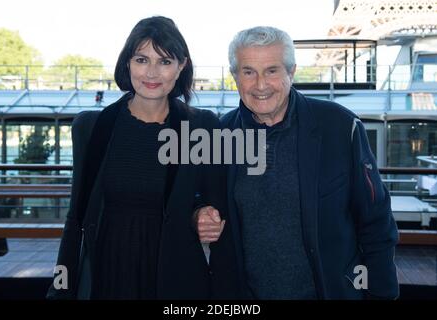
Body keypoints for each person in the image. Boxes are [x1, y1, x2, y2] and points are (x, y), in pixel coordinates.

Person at [196, 26, 399, 300]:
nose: (260, 85)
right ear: (235, 77)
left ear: (291, 72)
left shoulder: (340, 127)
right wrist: (198, 214)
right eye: (248, 72)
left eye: (272, 70)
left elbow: (376, 222)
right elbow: (198, 197)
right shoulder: (220, 135)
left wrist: (383, 295)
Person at [47, 16, 236, 300]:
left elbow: (215, 207)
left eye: (165, 61)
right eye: (142, 59)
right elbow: (76, 217)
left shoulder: (203, 127)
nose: (152, 73)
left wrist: (202, 214)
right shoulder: (91, 128)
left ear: (181, 66)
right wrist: (59, 290)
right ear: (127, 63)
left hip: (177, 277)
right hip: (106, 276)